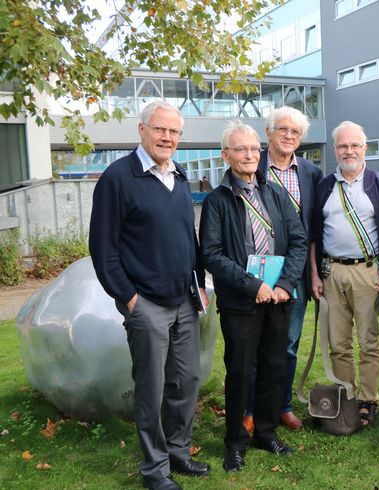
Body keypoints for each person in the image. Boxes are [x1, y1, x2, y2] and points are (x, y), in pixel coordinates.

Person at [89, 100, 210, 490]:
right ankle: (155, 470)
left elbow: (185, 239)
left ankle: (178, 451)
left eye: (174, 132)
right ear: (141, 130)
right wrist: (129, 299)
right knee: (152, 388)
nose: (168, 137)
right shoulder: (117, 178)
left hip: (184, 302)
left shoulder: (179, 177)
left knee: (187, 380)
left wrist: (198, 284)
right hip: (147, 304)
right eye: (160, 129)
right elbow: (103, 248)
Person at [199, 122, 307, 472]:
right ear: (225, 154)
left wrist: (285, 284)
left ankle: (266, 432)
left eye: (253, 149)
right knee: (241, 373)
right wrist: (251, 285)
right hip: (241, 303)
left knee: (274, 369)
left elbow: (298, 241)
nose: (249, 155)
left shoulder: (275, 193)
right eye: (240, 149)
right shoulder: (217, 201)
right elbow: (211, 254)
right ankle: (235, 443)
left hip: (277, 299)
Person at [310, 121, 379, 427]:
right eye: (343, 146)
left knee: (368, 340)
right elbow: (313, 235)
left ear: (365, 148)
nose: (348, 151)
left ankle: (369, 399)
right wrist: (314, 275)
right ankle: (345, 398)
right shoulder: (324, 186)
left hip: (367, 272)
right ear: (335, 150)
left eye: (354, 145)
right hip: (331, 271)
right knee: (338, 342)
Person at [241, 106, 322, 433]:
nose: (289, 136)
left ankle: (282, 406)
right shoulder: (249, 163)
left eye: (296, 132)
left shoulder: (311, 173)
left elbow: (314, 228)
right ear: (269, 132)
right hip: (255, 270)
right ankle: (249, 409)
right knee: (254, 346)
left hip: (295, 272)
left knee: (287, 343)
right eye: (283, 129)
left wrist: (313, 272)